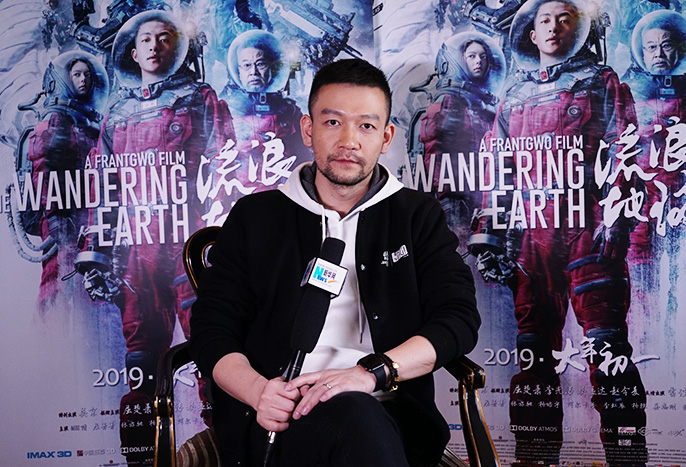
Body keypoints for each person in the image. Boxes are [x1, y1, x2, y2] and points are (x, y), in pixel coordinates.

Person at [189, 58, 481, 467]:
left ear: (386, 137)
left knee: (357, 414)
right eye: (332, 122)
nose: (349, 140)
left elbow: (457, 319)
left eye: (366, 126)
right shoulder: (256, 218)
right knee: (352, 420)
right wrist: (259, 393)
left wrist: (370, 373)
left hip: (391, 412)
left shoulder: (416, 216)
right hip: (281, 419)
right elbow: (211, 330)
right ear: (308, 130)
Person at [468, 0, 648, 465]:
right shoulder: (514, 96)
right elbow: (499, 171)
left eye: (564, 19)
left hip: (589, 226)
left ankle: (627, 453)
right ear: (531, 34)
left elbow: (625, 150)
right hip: (532, 237)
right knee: (532, 355)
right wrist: (491, 237)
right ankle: (534, 455)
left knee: (607, 347)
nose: (554, 27)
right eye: (545, 20)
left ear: (579, 29)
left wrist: (617, 217)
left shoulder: (602, 82)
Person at [75, 10, 235, 466]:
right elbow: (103, 188)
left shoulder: (200, 99)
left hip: (192, 250)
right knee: (141, 365)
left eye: (165, 38)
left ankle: (225, 453)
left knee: (215, 360)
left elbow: (226, 169)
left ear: (177, 48)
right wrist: (95, 254)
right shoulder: (117, 115)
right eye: (146, 39)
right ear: (132, 50)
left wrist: (230, 248)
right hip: (136, 255)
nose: (154, 46)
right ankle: (143, 459)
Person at [626, 10, 686, 362]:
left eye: (666, 45)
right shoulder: (627, 94)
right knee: (641, 279)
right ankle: (647, 348)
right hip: (641, 204)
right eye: (651, 46)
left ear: (679, 49)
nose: (658, 53)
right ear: (641, 51)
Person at [18, 50, 109, 310]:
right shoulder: (57, 120)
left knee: (85, 286)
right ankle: (49, 331)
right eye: (76, 74)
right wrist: (55, 217)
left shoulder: (86, 123)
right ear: (63, 79)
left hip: (83, 217)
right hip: (61, 217)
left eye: (87, 75)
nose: (83, 80)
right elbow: (43, 170)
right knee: (55, 281)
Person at [417, 31, 505, 250]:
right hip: (458, 205)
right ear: (459, 61)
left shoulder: (485, 106)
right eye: (472, 56)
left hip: (482, 200)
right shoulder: (450, 101)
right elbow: (435, 153)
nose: (478, 62)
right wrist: (448, 201)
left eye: (483, 57)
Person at [220, 29, 312, 202]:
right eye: (246, 65)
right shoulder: (225, 111)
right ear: (238, 71)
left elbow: (304, 158)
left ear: (272, 68)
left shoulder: (289, 111)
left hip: (283, 199)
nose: (253, 72)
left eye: (260, 64)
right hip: (240, 200)